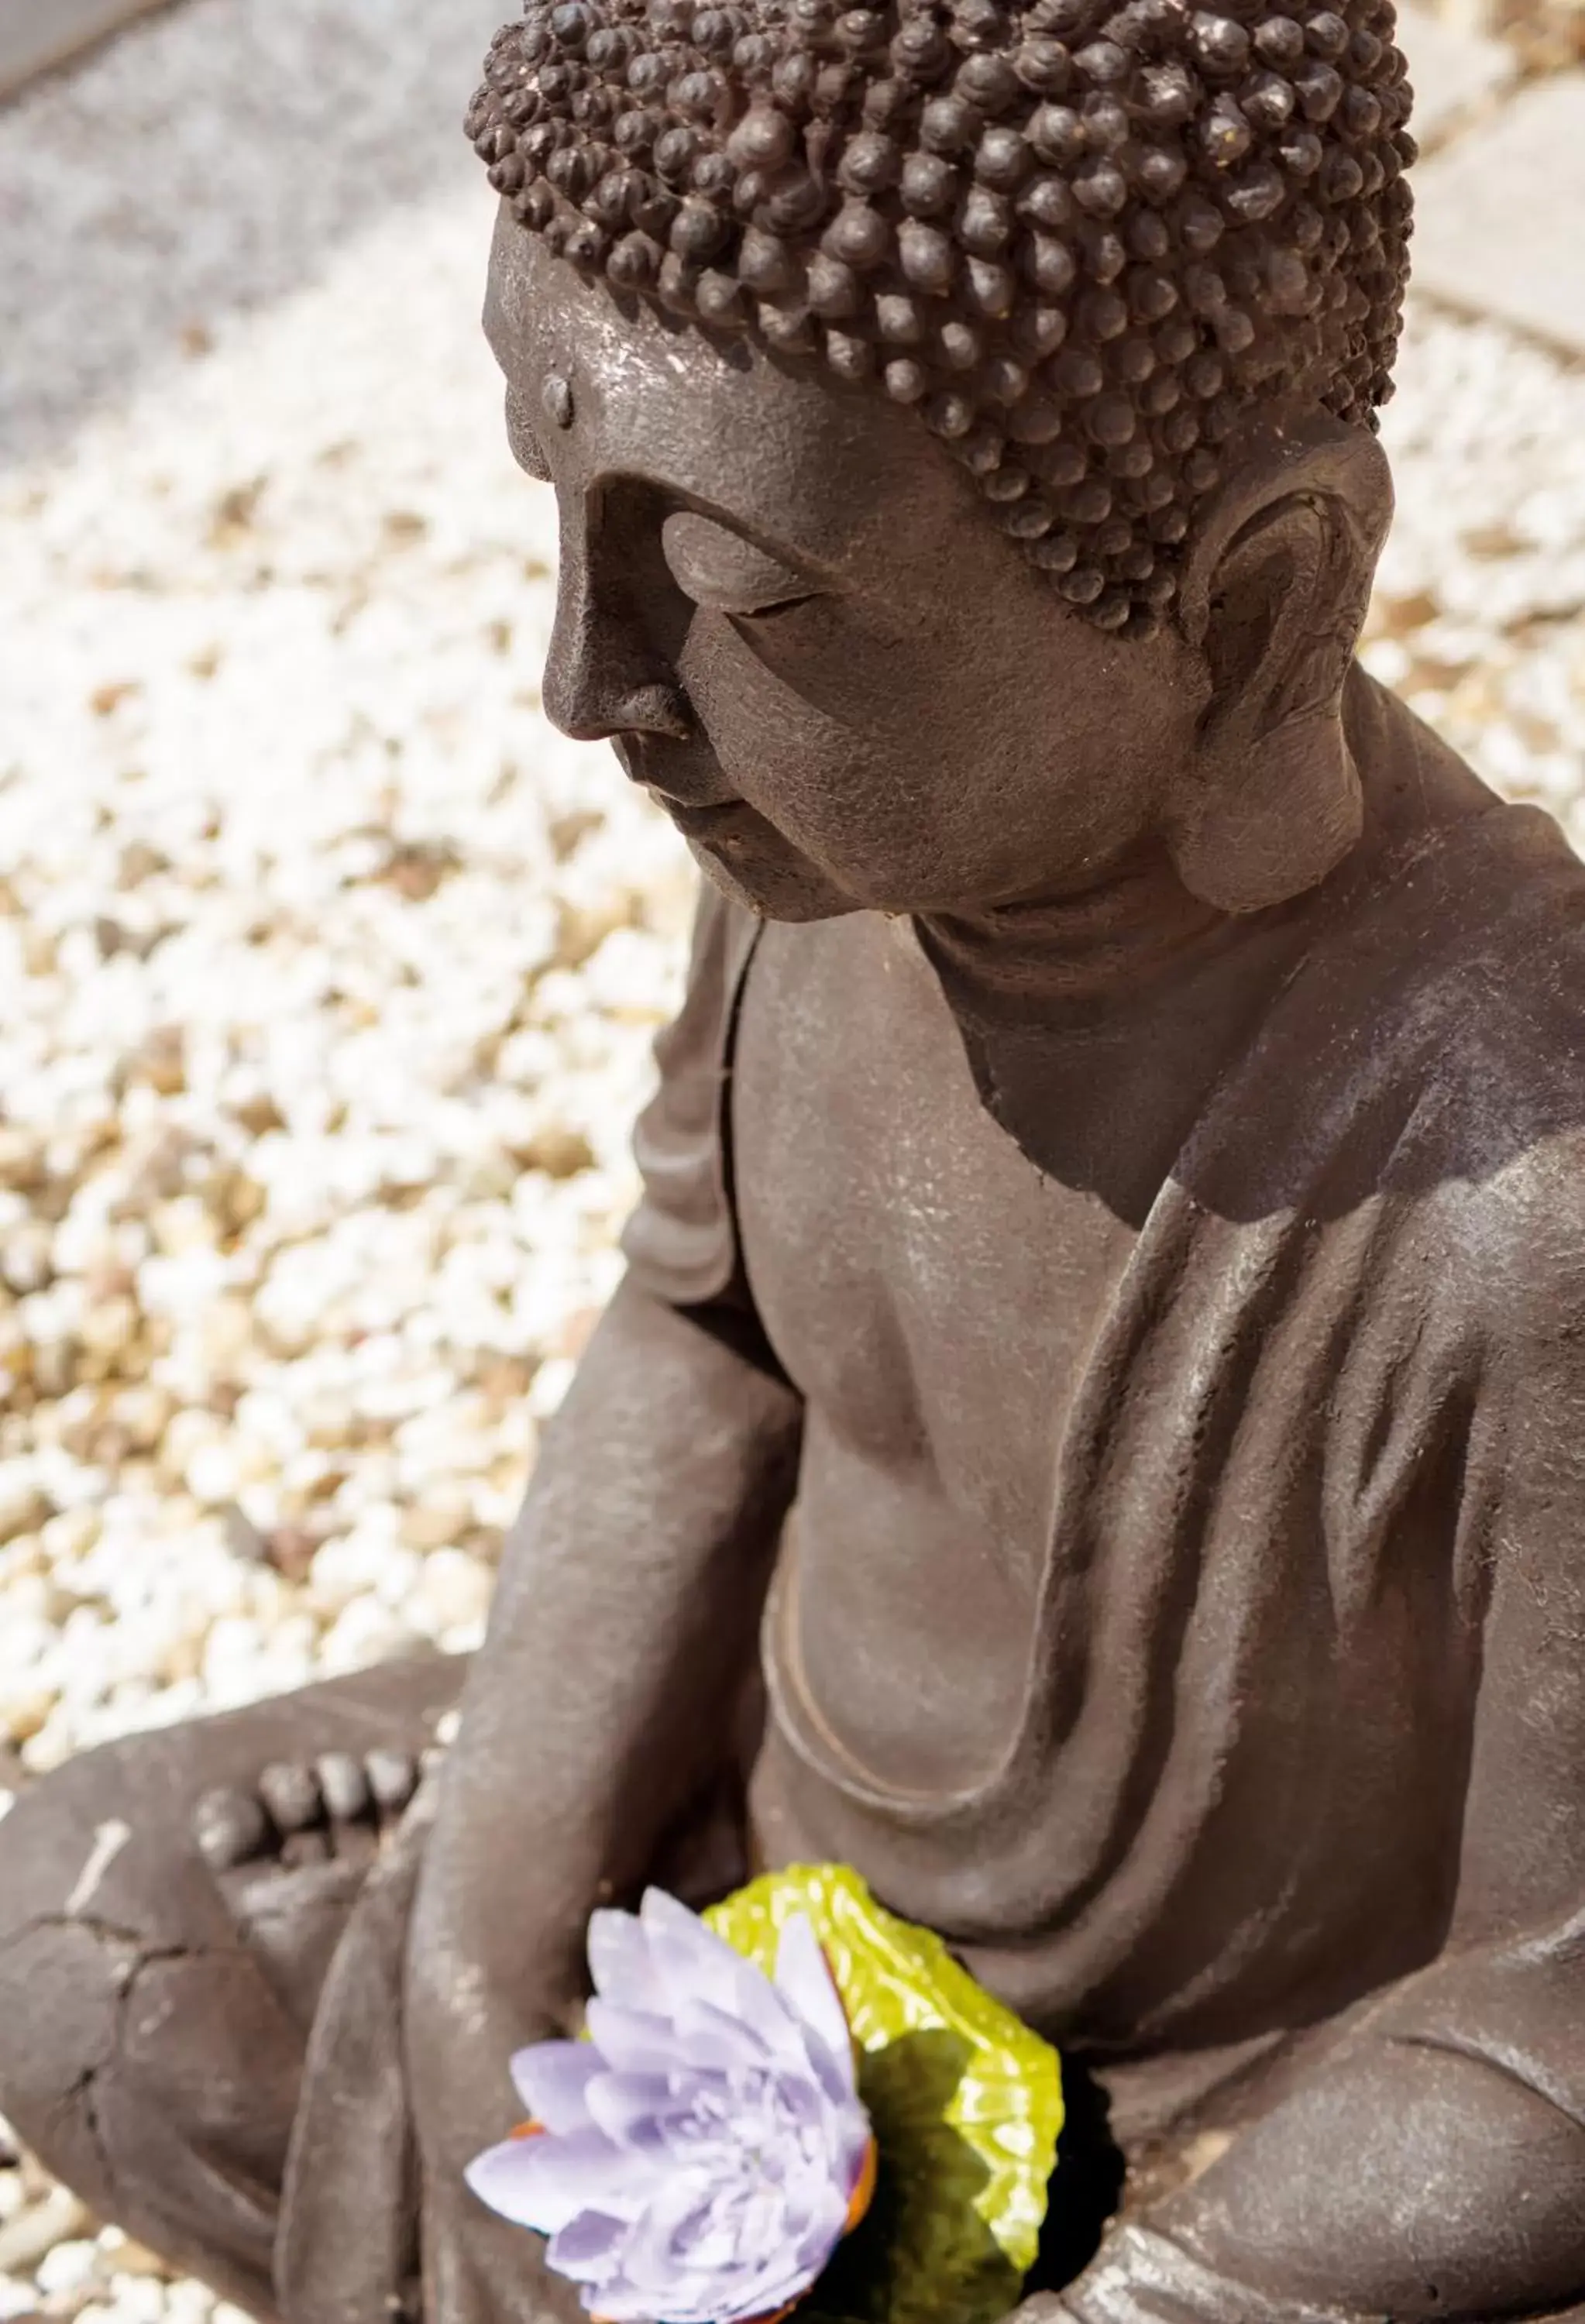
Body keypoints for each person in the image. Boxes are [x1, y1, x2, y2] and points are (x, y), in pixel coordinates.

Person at [5, 0, 1585, 2317]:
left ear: (1247, 611)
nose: (588, 679)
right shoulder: (799, 869)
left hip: (1214, 2101)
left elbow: (1548, 2024)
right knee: (81, 1936)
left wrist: (1120, 2290)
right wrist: (487, 1930)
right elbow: (699, 1338)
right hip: (744, 1901)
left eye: (743, 599)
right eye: (563, 517)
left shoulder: (1517, 1188)